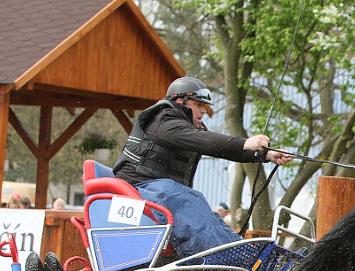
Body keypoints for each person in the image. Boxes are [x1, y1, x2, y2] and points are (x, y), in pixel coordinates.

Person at [113, 75, 290, 257]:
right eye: (198, 105)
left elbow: (220, 149)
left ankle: (244, 255)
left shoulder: (185, 128)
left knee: (207, 214)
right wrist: (245, 142)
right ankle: (226, 259)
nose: (203, 111)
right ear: (180, 101)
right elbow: (203, 140)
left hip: (159, 191)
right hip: (138, 187)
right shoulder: (163, 120)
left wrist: (266, 154)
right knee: (190, 202)